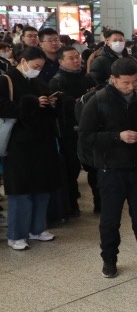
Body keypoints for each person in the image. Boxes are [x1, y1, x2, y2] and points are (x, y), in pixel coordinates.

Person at [78, 57, 137, 277]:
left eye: (133, 82)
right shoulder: (98, 101)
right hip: (110, 169)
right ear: (113, 79)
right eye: (125, 83)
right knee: (110, 219)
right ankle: (109, 260)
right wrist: (117, 136)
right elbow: (85, 136)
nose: (131, 87)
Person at [0, 46, 59, 250]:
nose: (38, 70)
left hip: (41, 141)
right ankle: (16, 234)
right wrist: (32, 103)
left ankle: (37, 228)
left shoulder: (37, 81)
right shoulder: (6, 80)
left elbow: (44, 107)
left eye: (41, 67)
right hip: (18, 143)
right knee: (20, 189)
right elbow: (3, 107)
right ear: (23, 61)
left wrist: (50, 103)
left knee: (42, 187)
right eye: (35, 66)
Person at [49, 46, 98, 217]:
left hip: (90, 129)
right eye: (71, 58)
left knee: (94, 167)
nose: (77, 60)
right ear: (61, 61)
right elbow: (65, 105)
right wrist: (81, 102)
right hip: (68, 131)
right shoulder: (57, 81)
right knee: (71, 170)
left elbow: (95, 99)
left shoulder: (87, 78)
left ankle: (99, 202)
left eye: (77, 57)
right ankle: (71, 205)